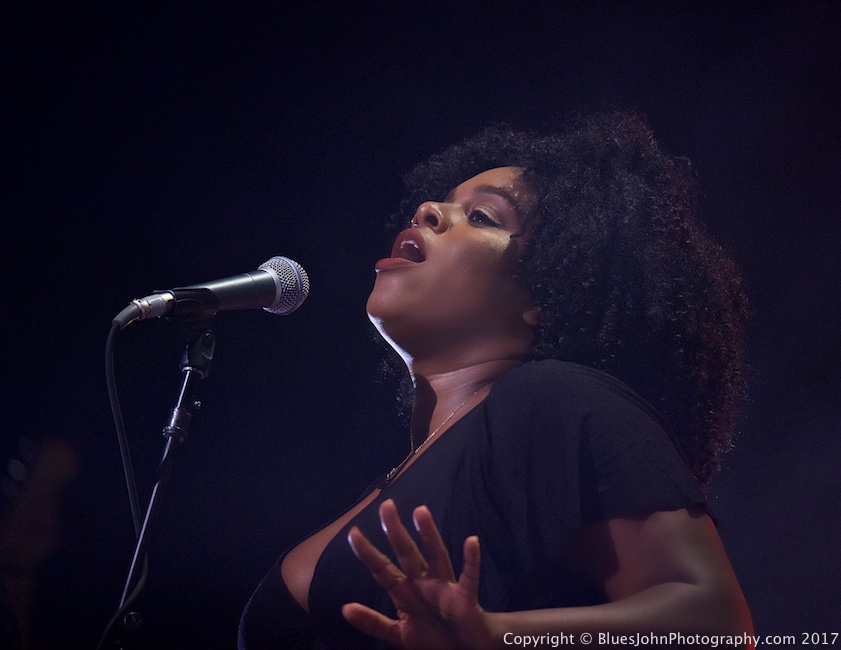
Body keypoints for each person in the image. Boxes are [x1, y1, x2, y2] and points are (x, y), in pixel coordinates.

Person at [238, 112, 754, 648]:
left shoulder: (556, 399)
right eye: (444, 201)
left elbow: (716, 627)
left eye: (482, 216)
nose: (428, 211)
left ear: (546, 295)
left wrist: (497, 637)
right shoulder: (422, 467)